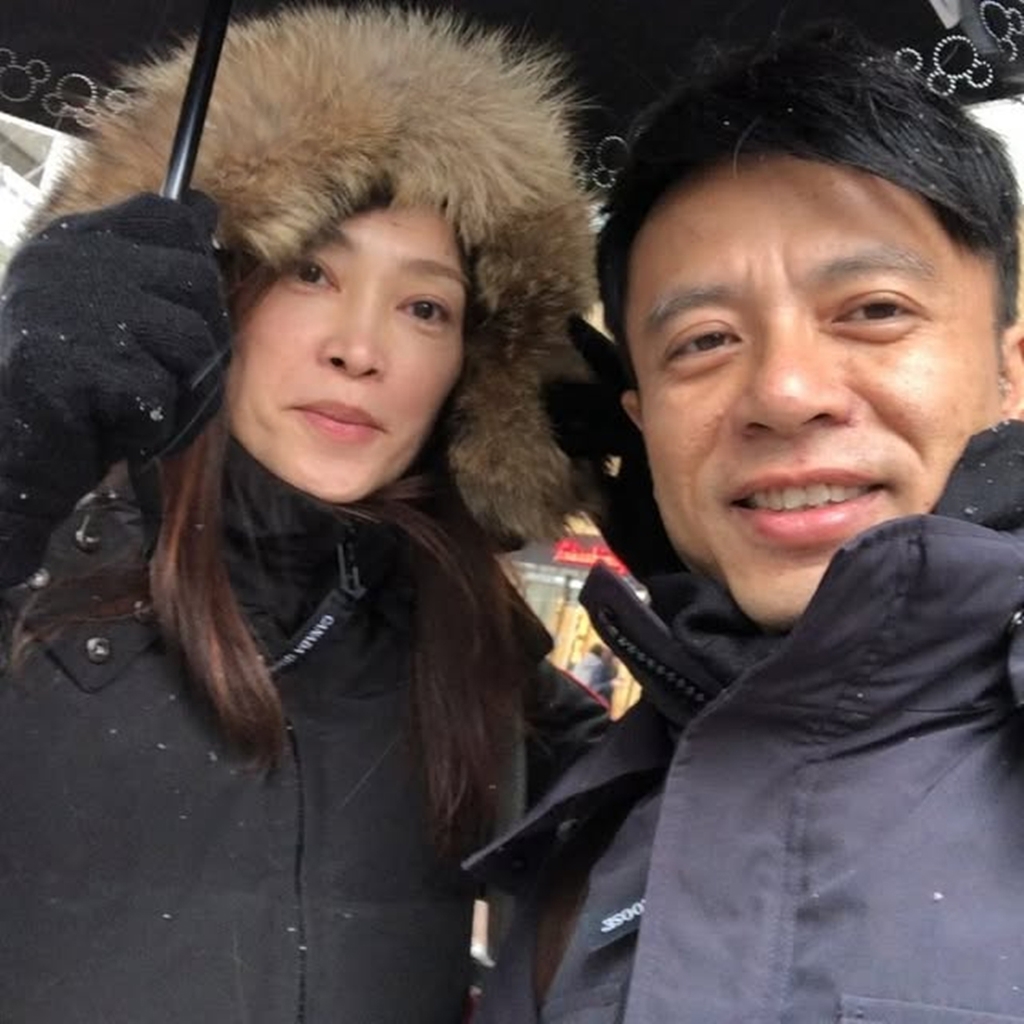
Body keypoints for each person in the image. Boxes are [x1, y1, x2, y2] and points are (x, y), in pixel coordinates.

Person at [0, 7, 607, 1022]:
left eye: (425, 307)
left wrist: (699, 571)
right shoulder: (35, 586)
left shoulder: (472, 652)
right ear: (204, 282)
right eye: (310, 271)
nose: (359, 349)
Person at [468, 25, 1024, 1024]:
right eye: (704, 340)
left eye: (873, 310)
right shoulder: (590, 839)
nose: (784, 391)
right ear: (639, 421)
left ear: (1009, 372)